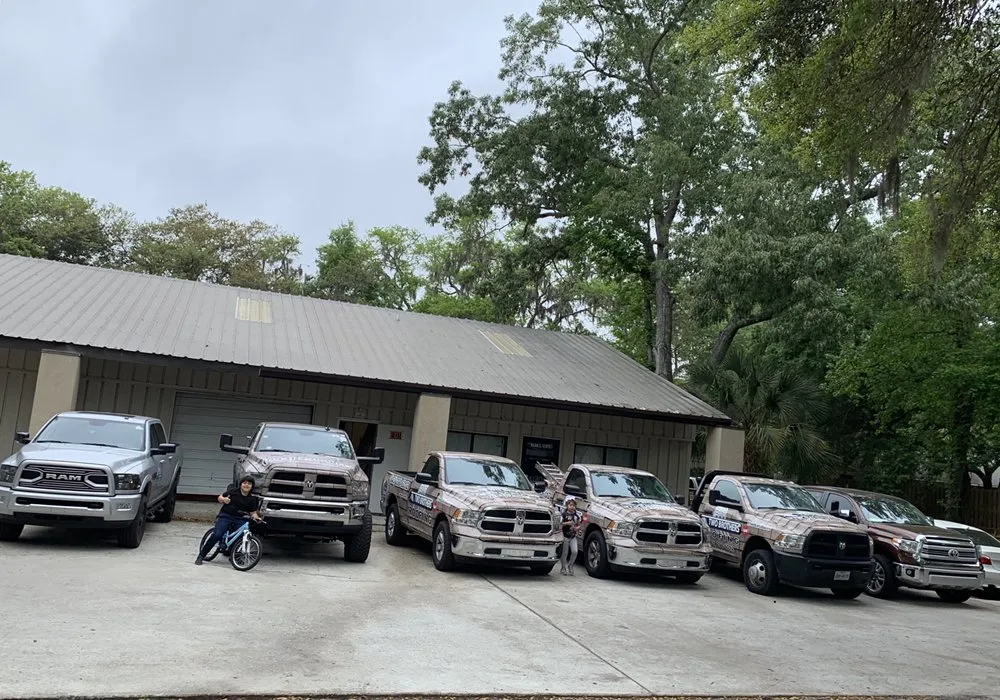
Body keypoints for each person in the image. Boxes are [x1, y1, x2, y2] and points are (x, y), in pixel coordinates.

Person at [195, 475, 262, 565]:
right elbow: (220, 498)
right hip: (226, 515)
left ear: (252, 486)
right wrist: (224, 499)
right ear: (241, 484)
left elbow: (252, 512)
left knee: (240, 536)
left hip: (240, 518)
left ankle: (234, 556)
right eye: (244, 483)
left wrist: (256, 517)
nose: (246, 485)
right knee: (217, 535)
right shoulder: (233, 492)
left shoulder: (252, 499)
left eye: (249, 484)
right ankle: (201, 556)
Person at [559, 496, 583, 575]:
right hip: (565, 536)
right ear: (567, 505)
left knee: (575, 551)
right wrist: (567, 523)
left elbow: (579, 525)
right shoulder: (564, 515)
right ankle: (563, 567)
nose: (572, 507)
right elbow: (560, 524)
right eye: (570, 505)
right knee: (565, 553)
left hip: (573, 536)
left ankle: (570, 565)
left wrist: (577, 528)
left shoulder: (576, 516)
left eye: (573, 505)